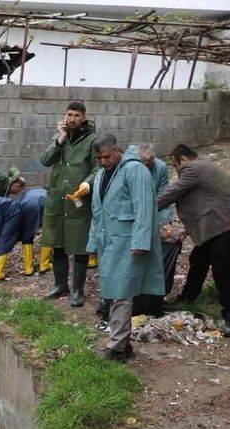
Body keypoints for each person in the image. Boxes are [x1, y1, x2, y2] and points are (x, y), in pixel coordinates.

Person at [86, 134, 164, 361]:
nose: (103, 161)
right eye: (99, 158)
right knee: (112, 291)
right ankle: (123, 343)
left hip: (127, 239)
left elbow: (144, 207)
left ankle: (117, 346)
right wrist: (93, 241)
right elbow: (97, 210)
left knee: (121, 292)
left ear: (118, 150)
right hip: (109, 241)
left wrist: (140, 241)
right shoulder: (101, 174)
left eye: (106, 156)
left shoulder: (135, 170)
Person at [155, 144, 230, 335]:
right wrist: (187, 229)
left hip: (223, 229)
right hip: (219, 227)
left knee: (222, 273)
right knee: (198, 260)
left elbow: (172, 193)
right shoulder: (204, 167)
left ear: (183, 159)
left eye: (175, 165)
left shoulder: (192, 168)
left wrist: (147, 206)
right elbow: (203, 201)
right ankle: (188, 298)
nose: (177, 171)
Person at [40, 101, 97, 306]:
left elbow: (97, 168)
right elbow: (45, 160)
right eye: (69, 115)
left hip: (79, 199)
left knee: (80, 245)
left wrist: (87, 184)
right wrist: (60, 139)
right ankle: (60, 285)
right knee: (58, 243)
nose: (72, 119)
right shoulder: (59, 137)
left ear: (83, 117)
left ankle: (78, 291)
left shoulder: (92, 140)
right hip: (58, 198)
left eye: (76, 115)